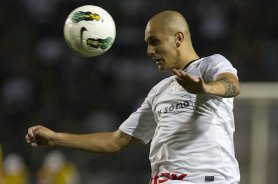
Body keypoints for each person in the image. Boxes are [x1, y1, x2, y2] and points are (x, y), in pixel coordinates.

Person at [25, 10, 241, 184]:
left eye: (154, 41)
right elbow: (115, 141)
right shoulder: (159, 92)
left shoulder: (210, 65)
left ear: (178, 38)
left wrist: (205, 88)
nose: (149, 51)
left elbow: (232, 85)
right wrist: (55, 138)